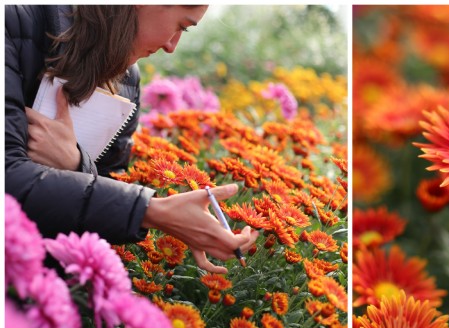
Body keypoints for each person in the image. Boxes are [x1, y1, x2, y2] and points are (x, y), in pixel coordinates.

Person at [5, 5, 259, 273]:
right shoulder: (13, 22)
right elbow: (8, 178)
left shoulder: (127, 82)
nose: (172, 45)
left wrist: (77, 164)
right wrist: (152, 211)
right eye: (181, 26)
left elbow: (108, 185)